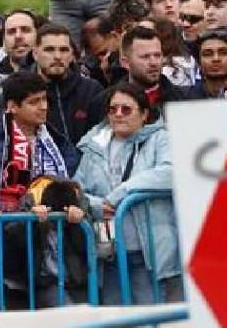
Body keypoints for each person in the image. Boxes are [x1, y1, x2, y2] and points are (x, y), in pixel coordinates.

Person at [0, 71, 79, 311]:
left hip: (47, 250)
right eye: (34, 102)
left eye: (45, 100)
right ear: (12, 107)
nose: (43, 107)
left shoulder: (55, 141)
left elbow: (72, 184)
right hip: (1, 248)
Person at [72, 82, 181, 305]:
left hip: (148, 253)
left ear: (144, 114)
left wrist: (123, 193)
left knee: (150, 319)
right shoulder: (94, 145)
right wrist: (97, 204)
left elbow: (170, 172)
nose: (118, 115)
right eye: (113, 109)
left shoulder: (160, 139)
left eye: (126, 109)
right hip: (108, 252)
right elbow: (76, 189)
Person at [32, 23, 105, 146]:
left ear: (72, 54)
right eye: (49, 50)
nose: (57, 56)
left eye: (64, 50)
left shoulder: (92, 90)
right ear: (35, 54)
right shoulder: (19, 91)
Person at [120, 26, 187, 119]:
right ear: (126, 63)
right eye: (145, 57)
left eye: (157, 55)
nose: (154, 63)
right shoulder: (106, 103)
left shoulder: (185, 100)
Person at [80, 16, 126, 87]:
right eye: (96, 56)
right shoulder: (93, 68)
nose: (102, 60)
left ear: (114, 36)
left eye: (103, 53)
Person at [189, 30, 227, 99]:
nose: (216, 59)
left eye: (223, 53)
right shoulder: (185, 97)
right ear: (198, 62)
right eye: (208, 54)